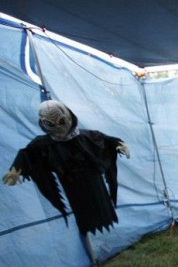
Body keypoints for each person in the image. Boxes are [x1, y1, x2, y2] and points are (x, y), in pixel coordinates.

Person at [3, 100, 130, 235]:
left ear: (68, 117)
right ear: (44, 124)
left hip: (94, 181)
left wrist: (118, 144)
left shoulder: (88, 136)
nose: (58, 127)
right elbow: (27, 154)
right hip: (72, 186)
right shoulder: (43, 144)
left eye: (61, 121)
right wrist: (17, 169)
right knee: (84, 212)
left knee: (102, 208)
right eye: (51, 124)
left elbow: (106, 140)